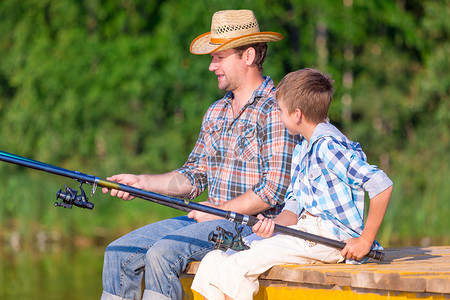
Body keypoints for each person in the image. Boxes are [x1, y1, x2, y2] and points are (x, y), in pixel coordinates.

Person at [100, 10, 296, 300]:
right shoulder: (215, 112)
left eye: (219, 57)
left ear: (248, 56)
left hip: (252, 228)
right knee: (118, 253)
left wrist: (217, 209)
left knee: (162, 255)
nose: (211, 66)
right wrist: (141, 182)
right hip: (207, 219)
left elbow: (272, 192)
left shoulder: (275, 110)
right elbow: (193, 177)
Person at [191, 68, 394, 300]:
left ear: (296, 115)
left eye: (280, 110)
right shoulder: (302, 148)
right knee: (216, 259)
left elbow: (381, 184)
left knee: (235, 267)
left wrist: (365, 240)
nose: (277, 115)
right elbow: (294, 208)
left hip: (330, 238)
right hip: (303, 231)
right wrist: (273, 225)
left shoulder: (328, 147)